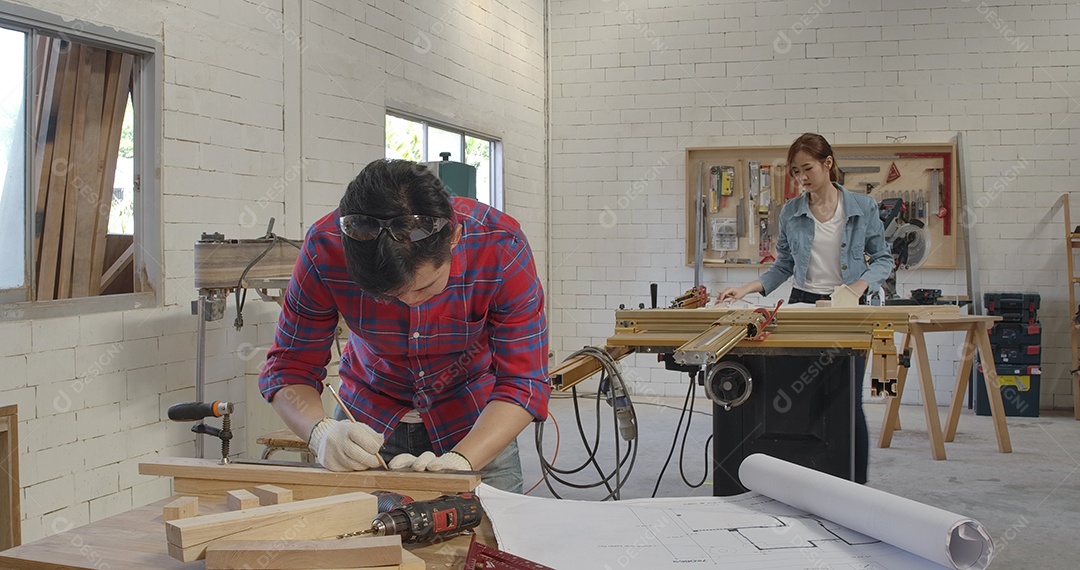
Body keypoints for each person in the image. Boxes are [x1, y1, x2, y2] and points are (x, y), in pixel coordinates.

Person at [259, 159, 549, 493]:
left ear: (454, 238)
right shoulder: (325, 248)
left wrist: (463, 462)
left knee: (489, 540)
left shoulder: (499, 245)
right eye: (387, 296)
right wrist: (320, 432)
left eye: (426, 287)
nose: (410, 302)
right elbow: (289, 367)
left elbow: (523, 380)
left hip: (476, 423)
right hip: (366, 425)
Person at [718, 133, 893, 483]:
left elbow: (884, 260)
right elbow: (783, 265)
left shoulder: (863, 207)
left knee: (846, 400)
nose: (801, 178)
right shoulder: (792, 213)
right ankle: (806, 482)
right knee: (799, 397)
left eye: (808, 168)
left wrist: (858, 288)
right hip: (803, 306)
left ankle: (853, 484)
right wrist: (747, 287)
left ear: (828, 163)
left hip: (846, 308)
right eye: (796, 171)